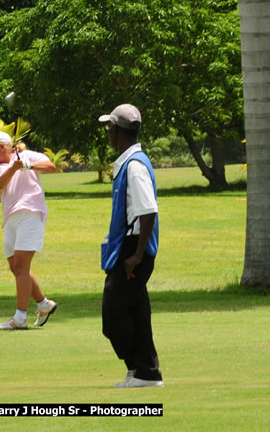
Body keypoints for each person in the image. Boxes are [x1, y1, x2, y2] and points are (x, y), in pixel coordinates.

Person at [98, 104, 164, 388]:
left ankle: (139, 367)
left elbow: (148, 210)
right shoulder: (130, 162)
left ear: (115, 129)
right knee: (137, 311)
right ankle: (145, 372)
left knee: (113, 314)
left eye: (108, 127)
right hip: (131, 247)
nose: (107, 132)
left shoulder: (134, 165)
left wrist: (137, 255)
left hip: (134, 249)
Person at [0, 131, 58, 330]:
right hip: (10, 219)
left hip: (31, 213)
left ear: (2, 146)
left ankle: (20, 318)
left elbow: (52, 167)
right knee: (16, 268)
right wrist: (14, 168)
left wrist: (27, 164)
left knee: (22, 267)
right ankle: (43, 304)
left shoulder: (29, 156)